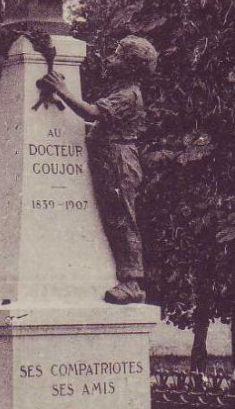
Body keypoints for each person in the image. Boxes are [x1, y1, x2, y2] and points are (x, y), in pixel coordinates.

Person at [40, 36, 158, 305]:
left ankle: (132, 282)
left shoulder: (128, 94)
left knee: (122, 220)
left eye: (117, 56)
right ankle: (129, 279)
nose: (110, 59)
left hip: (119, 162)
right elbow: (104, 125)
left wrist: (62, 89)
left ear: (131, 66)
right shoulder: (124, 90)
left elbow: (92, 113)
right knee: (114, 218)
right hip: (112, 158)